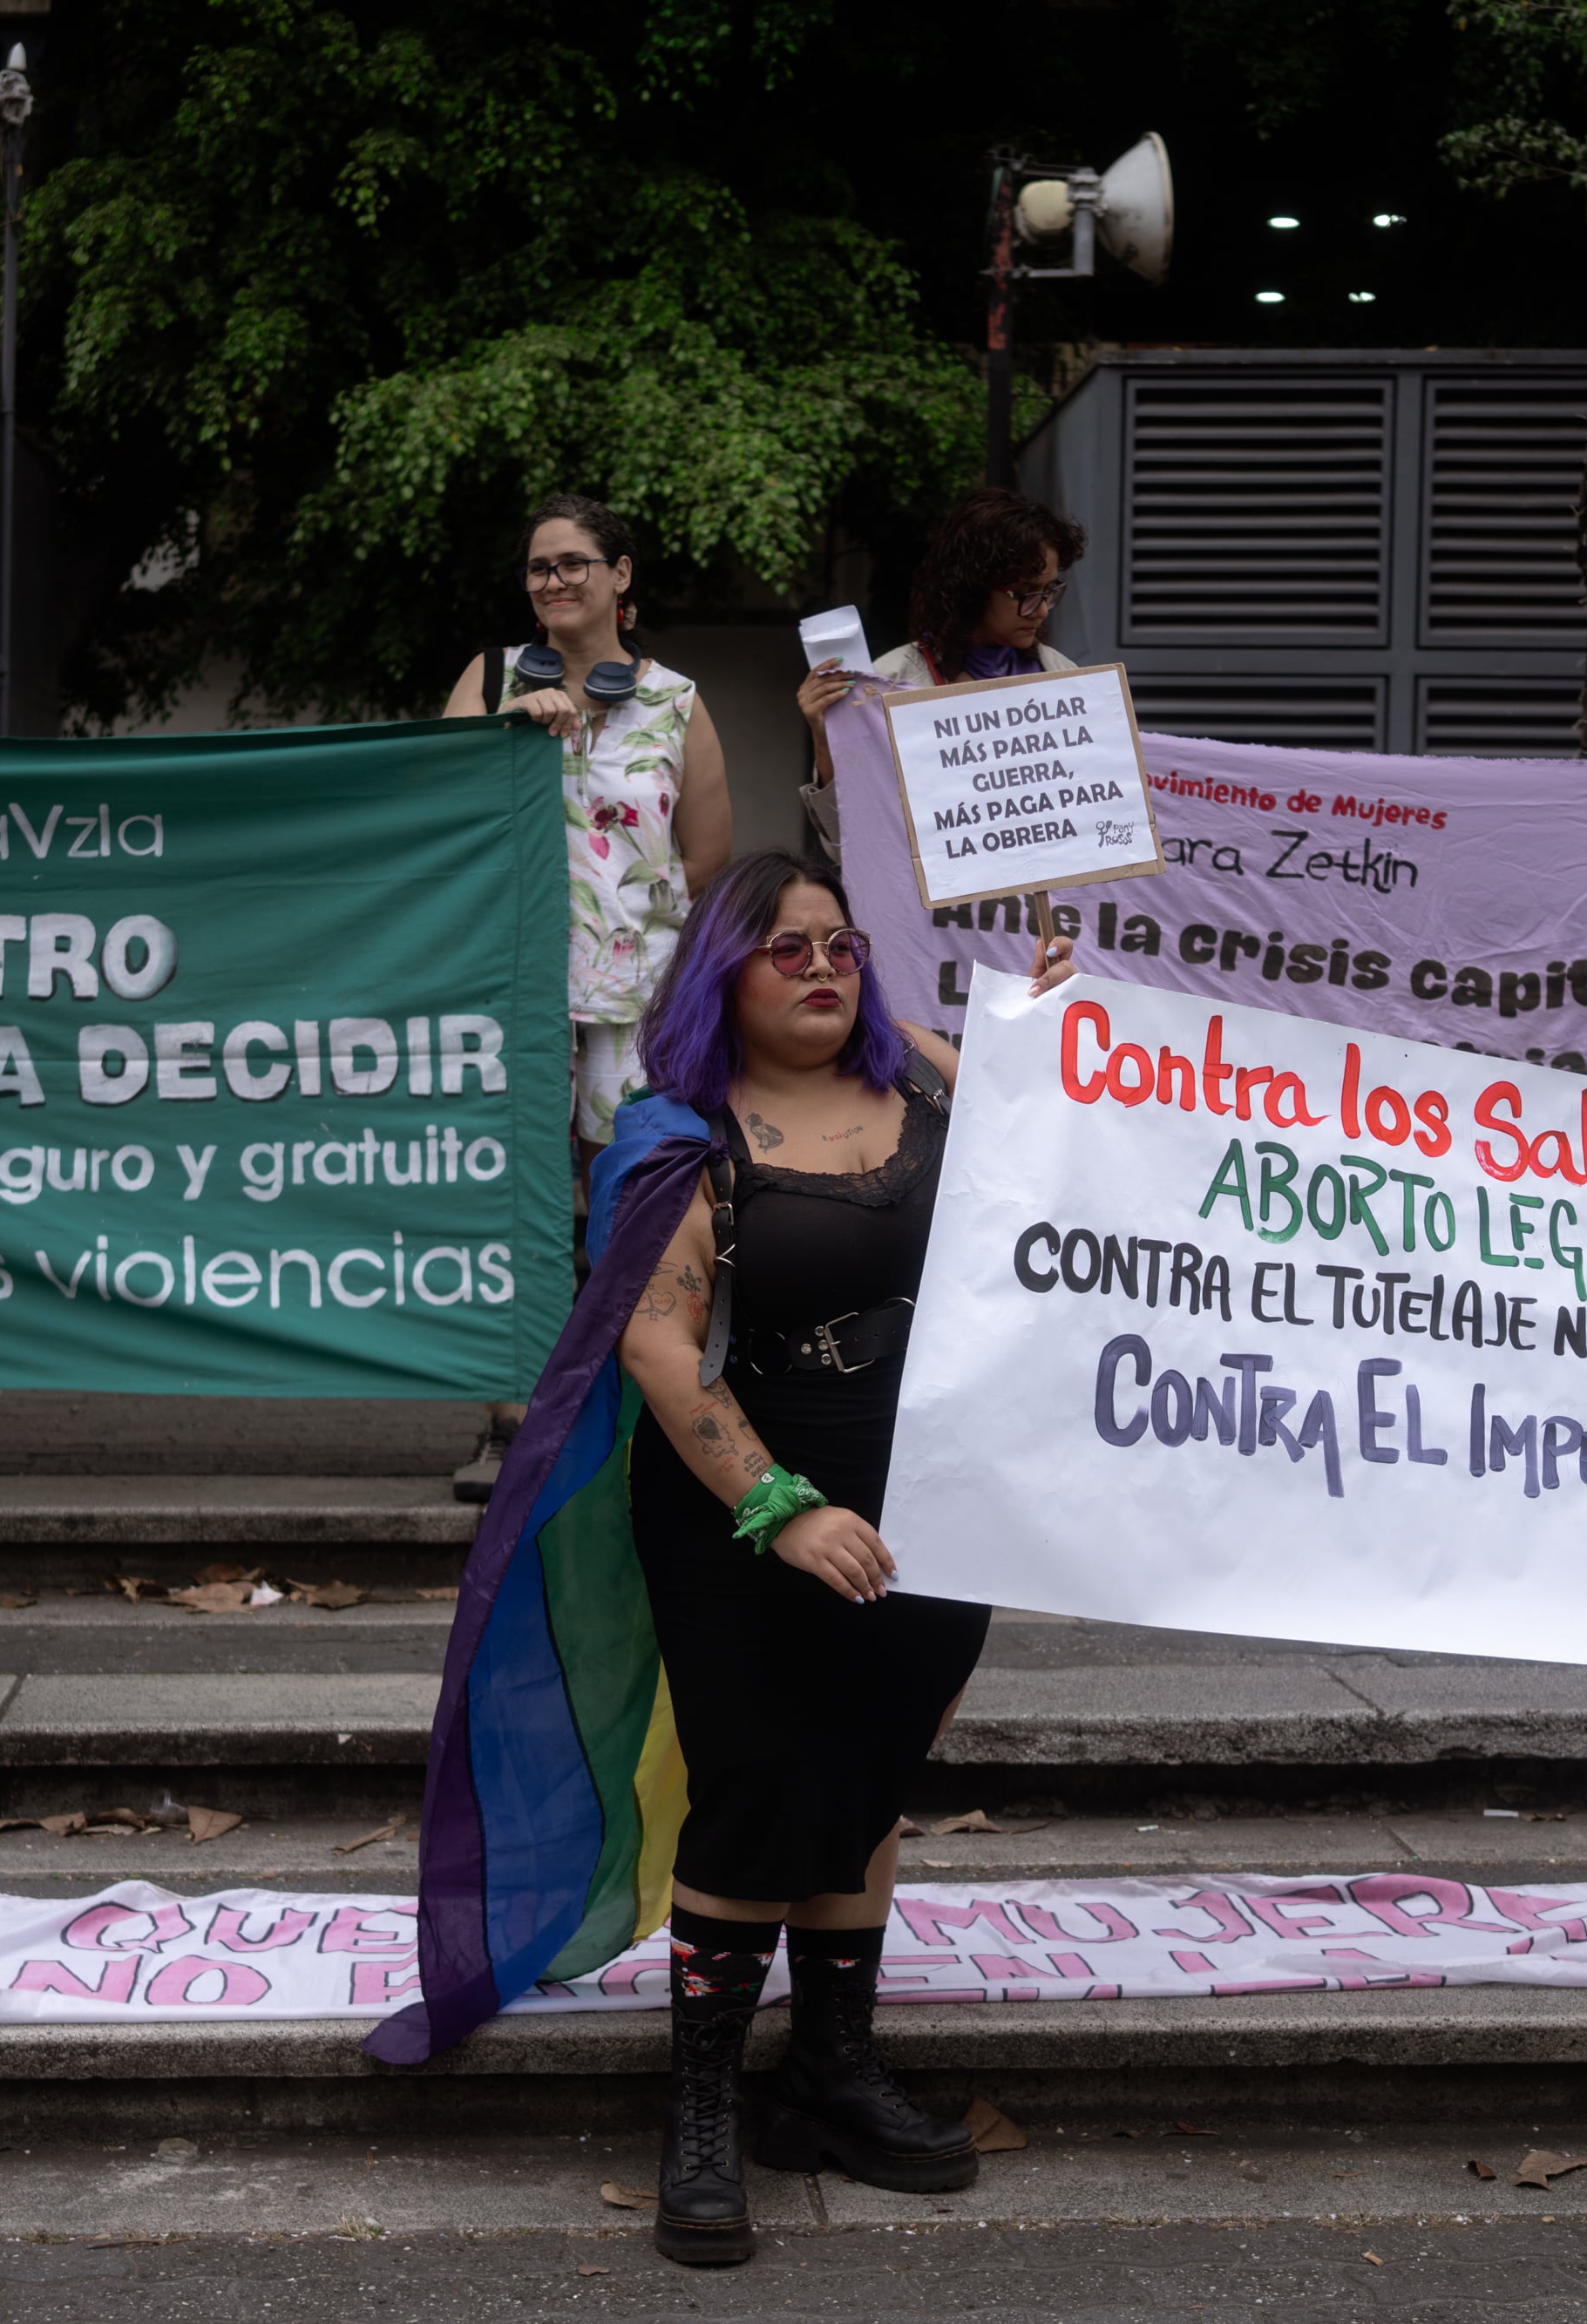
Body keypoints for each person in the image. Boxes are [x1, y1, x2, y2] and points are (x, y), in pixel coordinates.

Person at [609, 850, 1069, 2265]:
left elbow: (1059, 1129)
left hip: (933, 1492)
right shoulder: (679, 1129)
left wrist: (1056, 1030)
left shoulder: (925, 1075)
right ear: (720, 977)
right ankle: (702, 2107)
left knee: (870, 1766)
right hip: (742, 1503)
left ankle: (830, 2073)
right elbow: (656, 1340)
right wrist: (785, 1511)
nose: (823, 967)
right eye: (786, 949)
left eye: (841, 943)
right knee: (761, 1780)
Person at [437, 494, 731, 1499]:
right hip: (508, 987)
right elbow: (429, 811)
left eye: (571, 564)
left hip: (631, 998)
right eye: (537, 568)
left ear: (621, 577)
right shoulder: (487, 681)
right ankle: (511, 1412)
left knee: (627, 1202)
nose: (551, 582)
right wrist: (507, 733)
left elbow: (706, 859)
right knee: (510, 1197)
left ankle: (623, 1403)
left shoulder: (677, 702)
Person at [793, 488, 1087, 855]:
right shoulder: (887, 681)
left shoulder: (1067, 677)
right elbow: (848, 847)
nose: (1042, 610)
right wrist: (825, 736)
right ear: (973, 588)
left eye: (1049, 591)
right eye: (1025, 593)